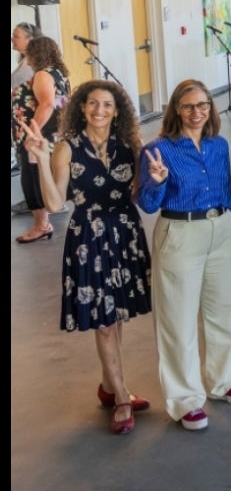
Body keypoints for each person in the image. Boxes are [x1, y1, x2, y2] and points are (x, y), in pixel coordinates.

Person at [22, 80, 152, 434]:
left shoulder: (130, 144)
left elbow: (143, 193)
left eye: (107, 105)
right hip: (88, 237)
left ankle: (109, 385)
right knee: (105, 322)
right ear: (81, 107)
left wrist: (159, 177)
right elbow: (53, 203)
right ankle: (122, 395)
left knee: (117, 315)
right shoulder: (67, 147)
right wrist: (41, 161)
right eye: (92, 103)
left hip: (125, 231)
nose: (99, 110)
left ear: (117, 110)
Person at [137, 79, 231, 431]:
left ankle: (222, 381)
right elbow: (147, 203)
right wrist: (155, 181)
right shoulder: (158, 150)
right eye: (189, 106)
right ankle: (185, 399)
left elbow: (228, 192)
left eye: (203, 105)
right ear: (176, 110)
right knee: (178, 319)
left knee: (223, 311)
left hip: (219, 228)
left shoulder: (219, 145)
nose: (197, 111)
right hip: (180, 232)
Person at [12, 35, 71, 243]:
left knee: (33, 178)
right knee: (40, 176)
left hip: (41, 135)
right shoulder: (57, 72)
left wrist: (33, 133)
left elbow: (46, 105)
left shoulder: (43, 75)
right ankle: (42, 223)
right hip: (51, 133)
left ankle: (41, 225)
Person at [9, 21, 41, 206]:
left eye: (16, 36)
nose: (12, 39)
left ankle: (38, 203)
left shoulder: (32, 65)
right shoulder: (23, 61)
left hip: (29, 123)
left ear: (30, 40)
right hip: (22, 122)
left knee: (32, 166)